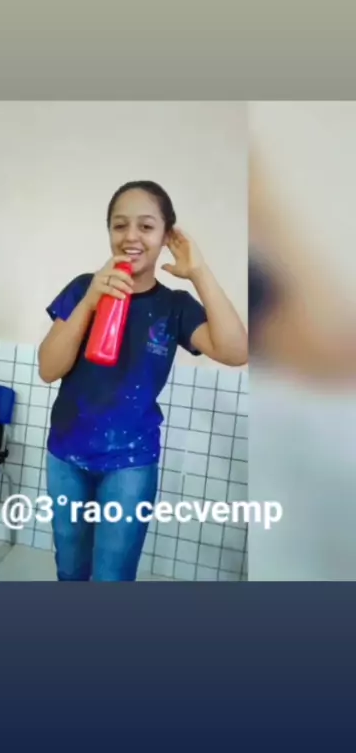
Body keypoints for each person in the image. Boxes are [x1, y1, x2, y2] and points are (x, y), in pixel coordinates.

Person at [38, 181, 247, 581]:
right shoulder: (83, 288)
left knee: (113, 577)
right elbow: (48, 369)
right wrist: (91, 301)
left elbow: (236, 351)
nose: (131, 236)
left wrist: (199, 272)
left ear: (167, 236)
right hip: (66, 455)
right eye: (120, 225)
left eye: (146, 226)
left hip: (131, 463)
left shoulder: (174, 307)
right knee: (69, 569)